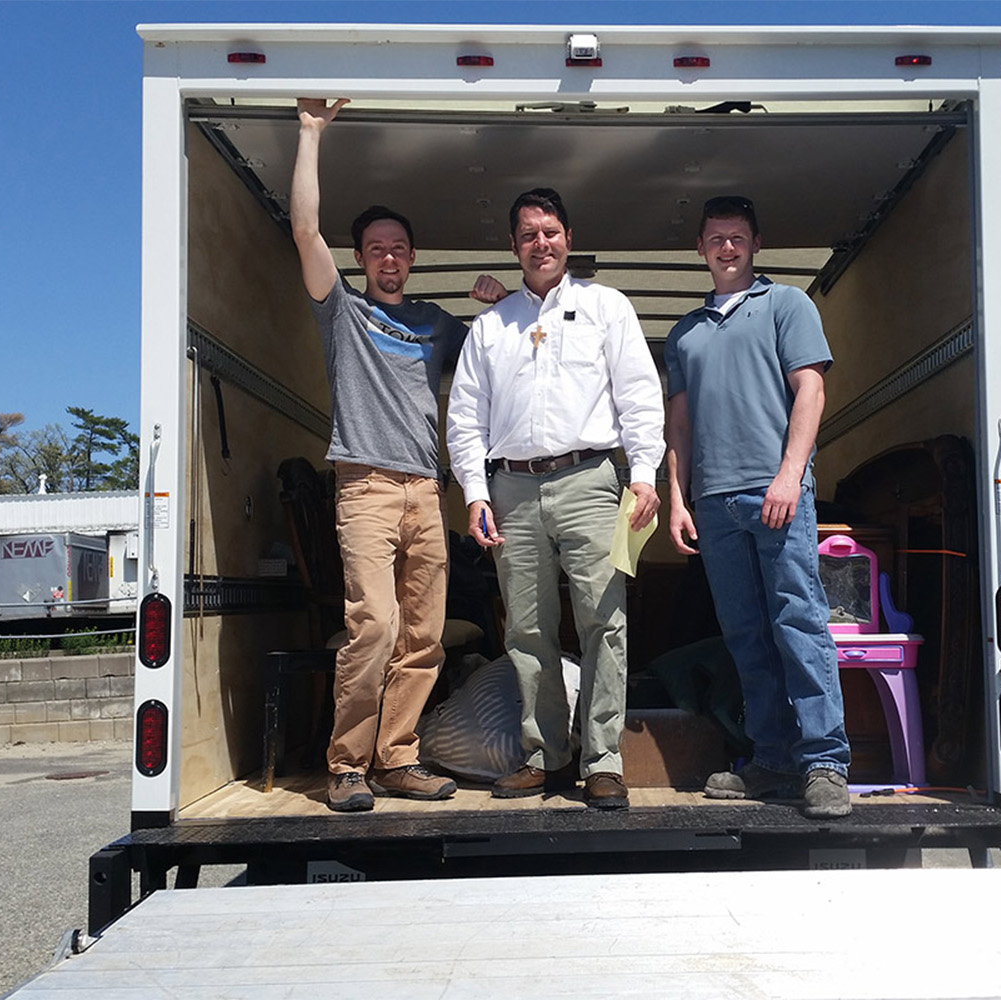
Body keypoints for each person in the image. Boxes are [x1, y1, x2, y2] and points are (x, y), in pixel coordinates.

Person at [291, 97, 506, 812]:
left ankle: (397, 760)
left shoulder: (436, 324)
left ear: (413, 259)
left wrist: (499, 300)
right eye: (376, 248)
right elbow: (302, 227)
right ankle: (347, 765)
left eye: (399, 248)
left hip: (425, 489)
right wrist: (310, 133)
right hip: (366, 488)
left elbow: (497, 358)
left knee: (422, 637)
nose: (389, 258)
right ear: (361, 259)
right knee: (373, 628)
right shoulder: (342, 311)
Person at [446, 188, 664, 810]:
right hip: (510, 488)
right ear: (514, 247)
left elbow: (639, 395)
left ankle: (603, 762)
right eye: (528, 235)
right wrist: (475, 493)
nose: (541, 243)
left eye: (550, 231)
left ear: (567, 237)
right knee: (527, 629)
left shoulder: (607, 306)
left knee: (605, 619)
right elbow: (466, 417)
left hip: (591, 480)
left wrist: (643, 473)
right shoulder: (490, 326)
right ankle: (544, 756)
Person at [662, 195, 853, 819]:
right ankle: (771, 758)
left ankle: (824, 762)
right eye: (715, 238)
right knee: (745, 634)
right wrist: (678, 498)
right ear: (700, 249)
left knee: (798, 622)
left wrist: (790, 477)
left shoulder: (788, 305)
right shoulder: (685, 333)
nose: (726, 247)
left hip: (776, 494)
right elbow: (680, 424)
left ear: (755, 244)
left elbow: (812, 389)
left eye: (737, 237)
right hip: (714, 504)